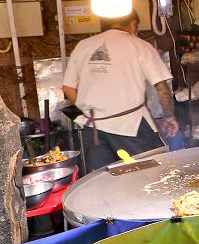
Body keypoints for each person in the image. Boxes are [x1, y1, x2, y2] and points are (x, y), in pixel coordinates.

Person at [62, 10, 178, 171]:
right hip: (131, 126)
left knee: (103, 180)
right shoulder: (140, 46)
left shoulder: (83, 46)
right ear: (133, 24)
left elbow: (67, 89)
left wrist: (89, 111)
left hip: (94, 128)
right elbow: (162, 88)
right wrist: (169, 117)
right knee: (153, 173)